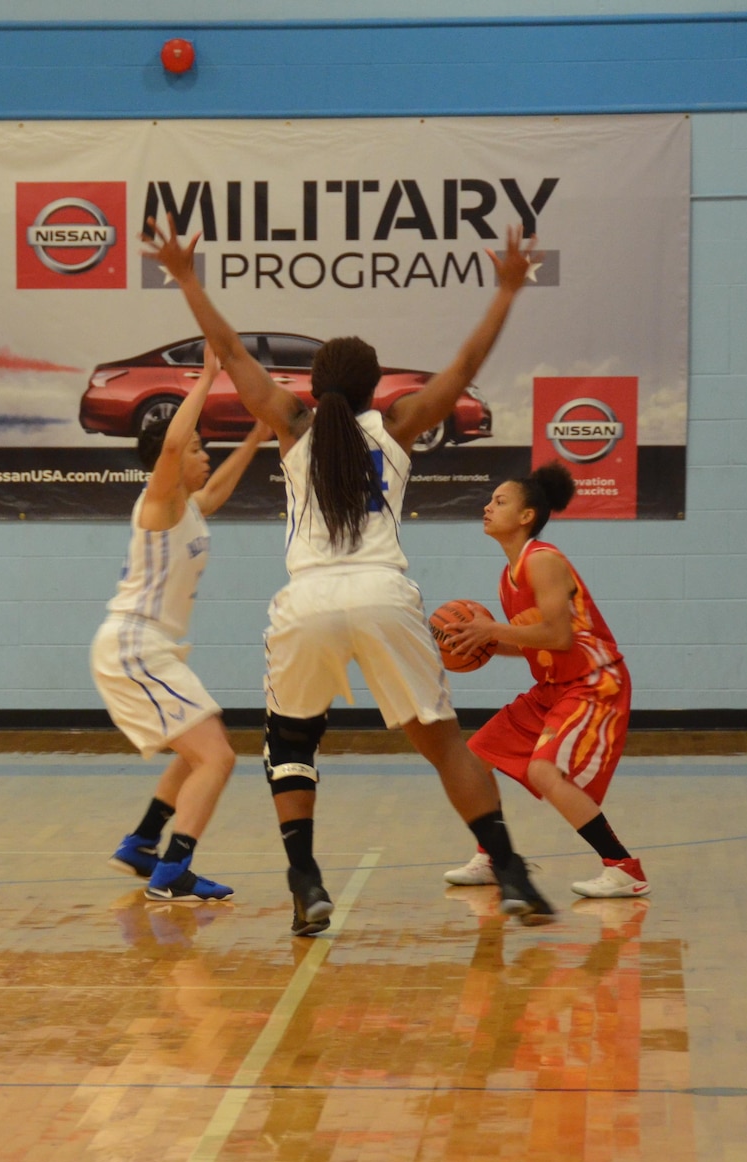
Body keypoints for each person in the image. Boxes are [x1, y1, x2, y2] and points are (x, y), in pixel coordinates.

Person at [145, 213, 554, 934]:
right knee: (443, 742)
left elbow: (233, 349)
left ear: (315, 385)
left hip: (308, 600)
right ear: (374, 389)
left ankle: (306, 881)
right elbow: (463, 367)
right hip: (382, 592)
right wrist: (508, 292)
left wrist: (184, 277)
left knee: (291, 744)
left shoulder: (290, 426)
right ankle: (510, 869)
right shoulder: (396, 427)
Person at [95, 343, 267, 903]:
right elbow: (172, 441)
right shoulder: (159, 500)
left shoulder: (188, 506)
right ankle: (173, 871)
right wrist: (210, 376)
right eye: (198, 448)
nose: (203, 455)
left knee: (197, 753)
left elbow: (217, 491)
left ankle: (142, 843)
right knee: (216, 756)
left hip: (151, 646)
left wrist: (259, 435)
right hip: (133, 644)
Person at [439, 465, 647, 898]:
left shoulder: (544, 560)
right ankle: (494, 856)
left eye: (500, 501)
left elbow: (559, 636)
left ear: (526, 516)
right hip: (554, 686)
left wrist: (492, 632)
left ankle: (624, 867)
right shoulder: (508, 574)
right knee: (472, 760)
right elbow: (537, 644)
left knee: (544, 770)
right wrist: (483, 643)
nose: (487, 506)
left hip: (594, 682)